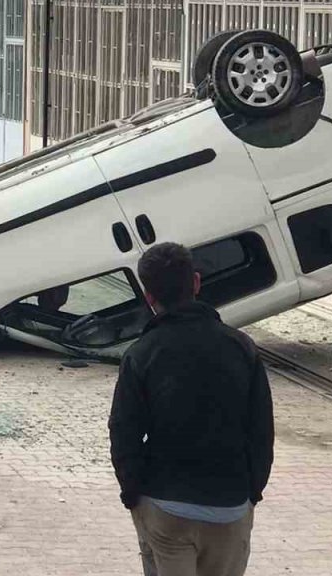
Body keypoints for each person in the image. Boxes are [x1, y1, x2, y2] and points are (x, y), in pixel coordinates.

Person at [109, 243, 274, 576]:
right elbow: (261, 433)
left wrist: (133, 494)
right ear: (196, 283)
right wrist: (251, 491)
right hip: (230, 506)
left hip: (164, 507)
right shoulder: (241, 348)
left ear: (149, 295)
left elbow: (124, 432)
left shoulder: (142, 354)